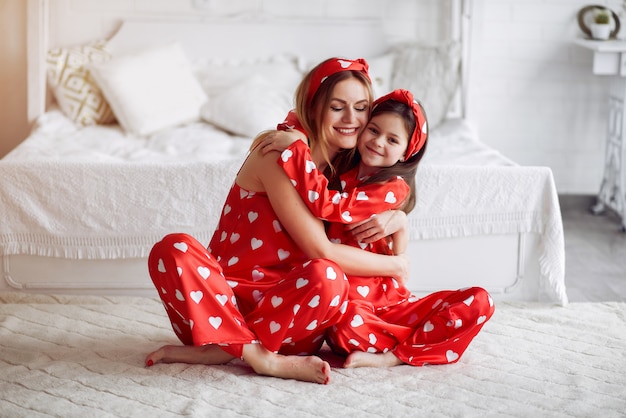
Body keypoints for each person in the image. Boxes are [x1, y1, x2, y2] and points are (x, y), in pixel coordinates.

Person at [144, 57, 409, 385]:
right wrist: (396, 267)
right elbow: (319, 248)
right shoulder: (277, 152)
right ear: (313, 109)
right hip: (216, 312)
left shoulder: (348, 165)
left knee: (329, 278)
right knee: (173, 249)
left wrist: (400, 220)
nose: (351, 120)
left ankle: (233, 351)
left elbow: (370, 218)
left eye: (361, 107)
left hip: (291, 321)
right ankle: (256, 356)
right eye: (338, 107)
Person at [268, 88, 495, 368]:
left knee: (479, 300)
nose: (378, 142)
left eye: (392, 139)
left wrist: (295, 153)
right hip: (352, 306)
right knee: (344, 329)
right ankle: (417, 339)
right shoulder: (336, 171)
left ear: (405, 153)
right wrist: (294, 133)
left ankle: (395, 357)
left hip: (391, 302)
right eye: (373, 130)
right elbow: (312, 121)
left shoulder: (393, 188)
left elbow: (332, 207)